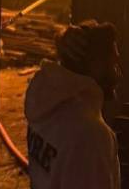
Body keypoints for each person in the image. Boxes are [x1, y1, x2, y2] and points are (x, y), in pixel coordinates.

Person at [24, 20, 123, 189]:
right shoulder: (91, 137)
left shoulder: (46, 102)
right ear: (95, 65)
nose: (118, 74)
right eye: (112, 64)